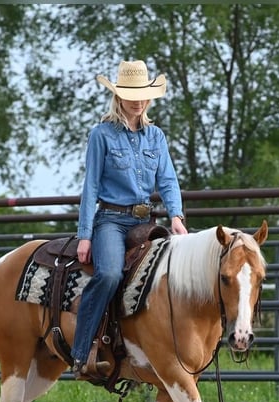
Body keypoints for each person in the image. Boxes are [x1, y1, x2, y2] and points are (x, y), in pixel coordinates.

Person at [71, 59, 188, 379]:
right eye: (130, 94)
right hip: (110, 219)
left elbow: (167, 180)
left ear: (149, 98)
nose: (137, 101)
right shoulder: (101, 135)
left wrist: (176, 216)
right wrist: (85, 234)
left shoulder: (156, 137)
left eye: (142, 95)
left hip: (146, 222)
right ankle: (81, 352)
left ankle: (154, 350)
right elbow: (90, 185)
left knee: (170, 276)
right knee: (108, 275)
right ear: (118, 96)